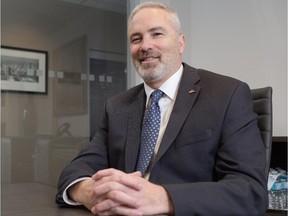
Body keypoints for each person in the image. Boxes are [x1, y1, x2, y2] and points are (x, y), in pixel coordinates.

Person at [56, 1, 268, 215]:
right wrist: (89, 192)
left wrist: (163, 198)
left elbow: (249, 191)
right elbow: (78, 168)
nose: (145, 46)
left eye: (156, 34)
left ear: (180, 43)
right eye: (136, 39)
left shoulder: (227, 94)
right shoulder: (117, 106)